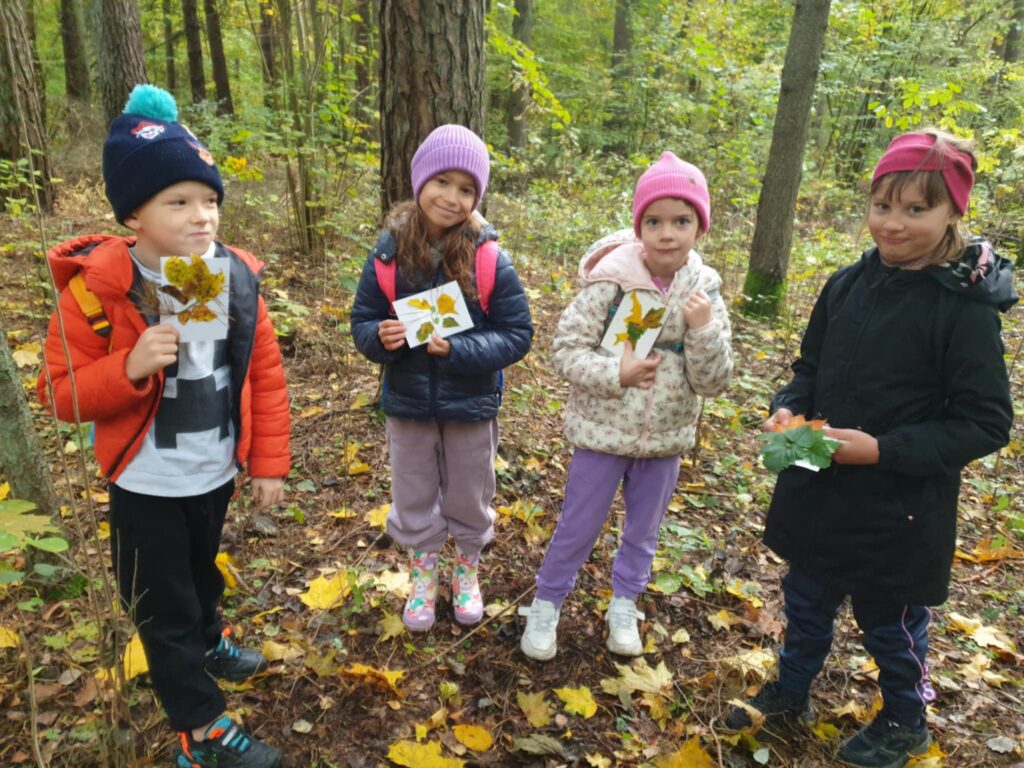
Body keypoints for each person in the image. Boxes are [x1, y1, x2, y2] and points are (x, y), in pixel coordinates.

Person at [724, 130, 1016, 768]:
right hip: (820, 485)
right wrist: (789, 404)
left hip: (900, 507)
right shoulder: (849, 283)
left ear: (952, 214)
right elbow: (810, 365)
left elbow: (988, 421)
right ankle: (790, 692)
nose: (894, 223)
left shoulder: (962, 312)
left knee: (891, 622)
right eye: (884, 205)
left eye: (917, 209)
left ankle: (906, 721)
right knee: (805, 599)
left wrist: (882, 449)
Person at [38, 85, 291, 768]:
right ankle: (200, 728)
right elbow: (59, 394)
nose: (201, 216)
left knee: (201, 571)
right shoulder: (98, 289)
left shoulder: (232, 278)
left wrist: (266, 462)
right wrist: (127, 367)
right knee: (162, 603)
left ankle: (208, 638)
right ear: (135, 214)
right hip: (144, 479)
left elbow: (263, 372)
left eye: (209, 200)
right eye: (178, 202)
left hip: (211, 470)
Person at [518, 152, 733, 660]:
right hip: (601, 433)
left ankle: (624, 604)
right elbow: (564, 350)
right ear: (639, 227)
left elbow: (715, 381)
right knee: (578, 523)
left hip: (665, 441)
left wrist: (701, 330)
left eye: (681, 221)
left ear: (699, 228)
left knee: (643, 531)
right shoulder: (610, 282)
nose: (667, 234)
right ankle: (547, 603)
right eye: (654, 221)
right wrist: (617, 373)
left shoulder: (705, 290)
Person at [350, 124, 533, 633]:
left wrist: (459, 350)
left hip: (470, 403)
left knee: (470, 490)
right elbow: (362, 321)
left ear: (478, 197)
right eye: (442, 182)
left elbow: (517, 334)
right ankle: (424, 571)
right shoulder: (388, 254)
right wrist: (378, 337)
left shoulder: (489, 257)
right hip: (407, 402)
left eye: (466, 188)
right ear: (419, 182)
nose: (452, 198)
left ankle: (467, 566)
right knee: (412, 488)